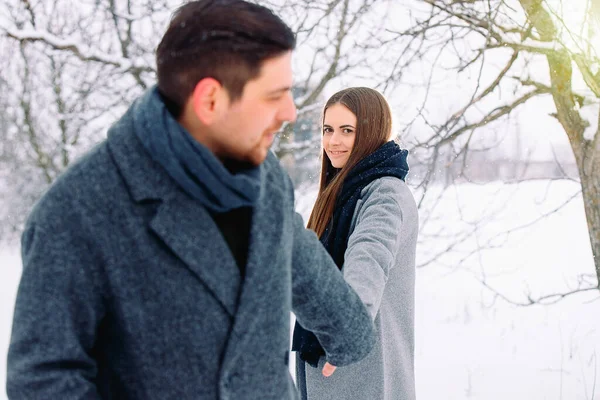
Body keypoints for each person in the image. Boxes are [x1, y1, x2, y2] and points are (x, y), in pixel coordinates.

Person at [6, 2, 376, 399]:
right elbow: (43, 380)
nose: (290, 111)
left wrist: (349, 335)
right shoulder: (76, 212)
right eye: (275, 95)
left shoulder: (265, 179)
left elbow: (303, 268)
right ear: (210, 101)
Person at [292, 87, 419, 400]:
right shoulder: (343, 192)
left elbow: (369, 259)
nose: (333, 141)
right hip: (339, 372)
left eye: (347, 130)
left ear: (372, 131)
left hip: (365, 375)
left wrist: (348, 328)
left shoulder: (385, 195)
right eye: (328, 130)